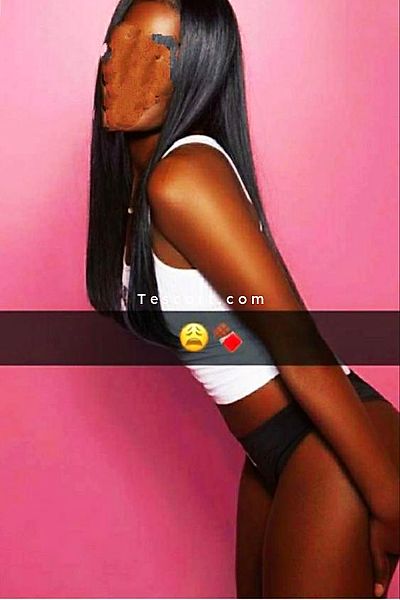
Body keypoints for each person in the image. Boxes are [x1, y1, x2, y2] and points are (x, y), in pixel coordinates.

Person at [86, 0, 400, 597]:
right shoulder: (139, 187)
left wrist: (387, 499)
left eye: (160, 50)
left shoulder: (183, 177)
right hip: (268, 453)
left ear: (201, 66)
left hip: (329, 444)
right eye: (120, 43)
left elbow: (295, 339)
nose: (128, 65)